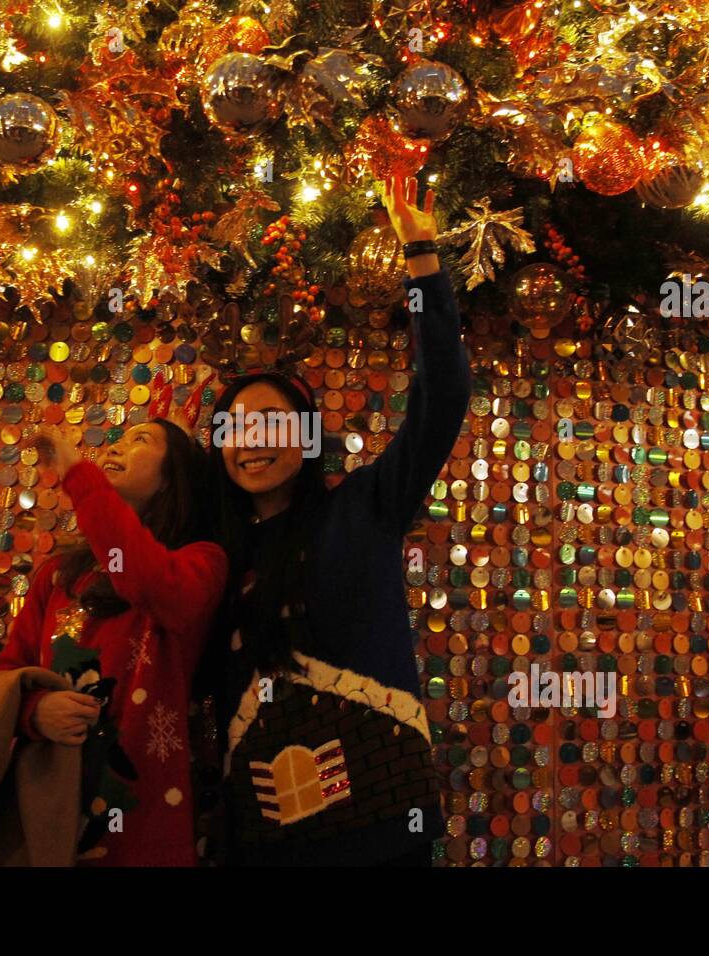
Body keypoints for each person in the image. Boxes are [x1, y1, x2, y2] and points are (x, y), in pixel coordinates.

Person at [205, 174, 471, 866]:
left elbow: (442, 396)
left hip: (379, 832)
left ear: (308, 439)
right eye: (235, 427)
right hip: (259, 836)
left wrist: (421, 257)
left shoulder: (363, 508)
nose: (251, 439)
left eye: (270, 421)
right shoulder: (214, 551)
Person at [0, 418, 227, 866]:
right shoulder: (59, 574)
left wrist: (80, 477)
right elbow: (7, 678)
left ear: (172, 478)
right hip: (49, 816)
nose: (117, 446)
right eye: (118, 438)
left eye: (141, 440)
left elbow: (149, 581)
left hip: (147, 827)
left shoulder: (202, 562)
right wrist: (36, 712)